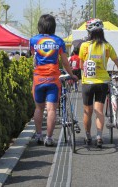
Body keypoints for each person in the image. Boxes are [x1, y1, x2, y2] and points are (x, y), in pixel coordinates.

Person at [79, 18, 118, 148]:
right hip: (102, 82)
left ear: (89, 32)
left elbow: (80, 66)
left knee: (87, 111)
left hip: (88, 82)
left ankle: (88, 135)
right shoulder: (107, 46)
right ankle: (99, 136)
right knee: (99, 110)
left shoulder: (84, 46)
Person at [30, 14, 78, 146]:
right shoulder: (59, 41)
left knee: (39, 108)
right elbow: (64, 62)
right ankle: (49, 138)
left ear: (40, 25)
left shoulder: (33, 40)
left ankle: (39, 135)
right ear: (53, 26)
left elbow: (34, 58)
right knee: (51, 109)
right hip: (53, 79)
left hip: (38, 78)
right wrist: (72, 74)